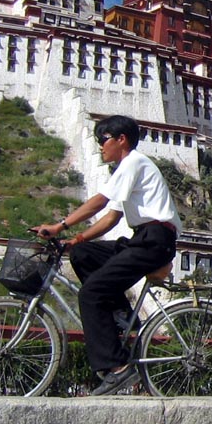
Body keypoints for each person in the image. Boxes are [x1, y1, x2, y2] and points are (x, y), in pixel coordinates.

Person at [35, 115, 182, 395]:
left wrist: (59, 226)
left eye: (103, 140)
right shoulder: (126, 170)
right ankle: (121, 317)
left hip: (154, 240)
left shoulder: (133, 162)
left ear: (121, 140)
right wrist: (75, 240)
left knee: (89, 294)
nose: (101, 147)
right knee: (82, 254)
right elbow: (111, 218)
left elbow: (99, 202)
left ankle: (118, 369)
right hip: (143, 238)